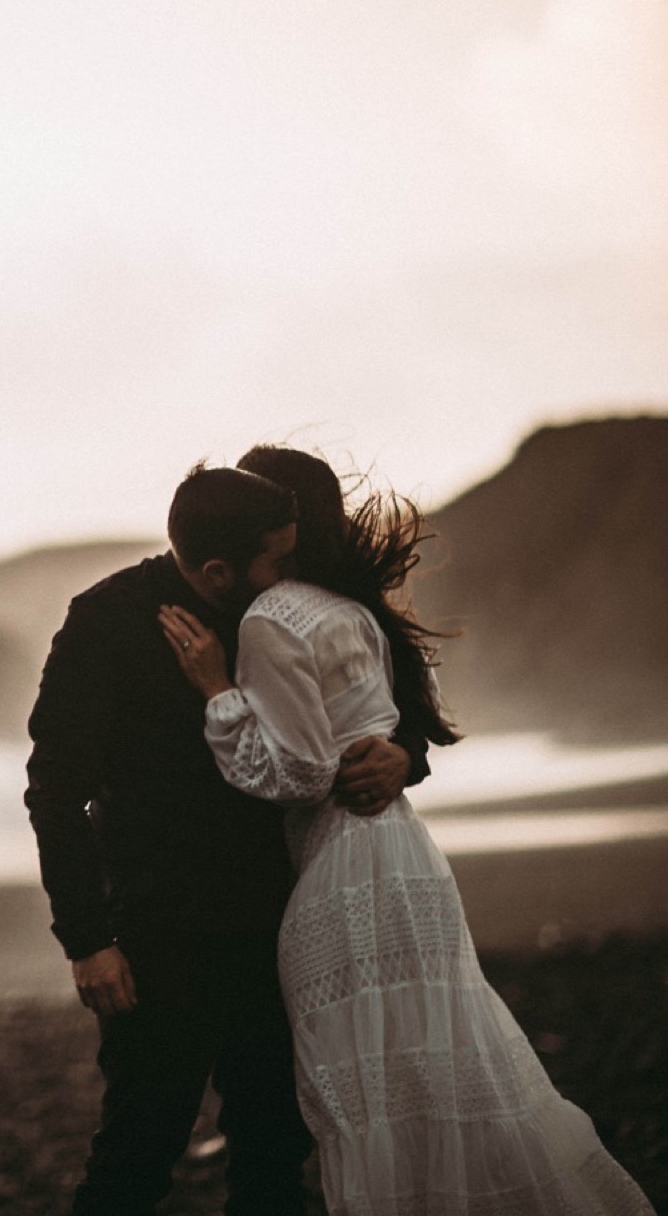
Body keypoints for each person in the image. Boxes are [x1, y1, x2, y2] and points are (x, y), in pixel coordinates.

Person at [157, 446, 652, 1216]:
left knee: (370, 1096)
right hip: (408, 857)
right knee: (449, 1071)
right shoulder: (349, 610)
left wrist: (219, 693)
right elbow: (367, 721)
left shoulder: (270, 617)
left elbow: (300, 773)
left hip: (341, 866)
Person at [24, 465, 428, 1215]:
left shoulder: (278, 610)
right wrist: (86, 937)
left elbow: (371, 701)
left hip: (284, 919)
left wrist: (407, 753)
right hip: (158, 932)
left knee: (275, 1150)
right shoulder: (106, 621)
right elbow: (53, 789)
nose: (293, 570)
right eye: (279, 558)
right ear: (218, 569)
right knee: (139, 1149)